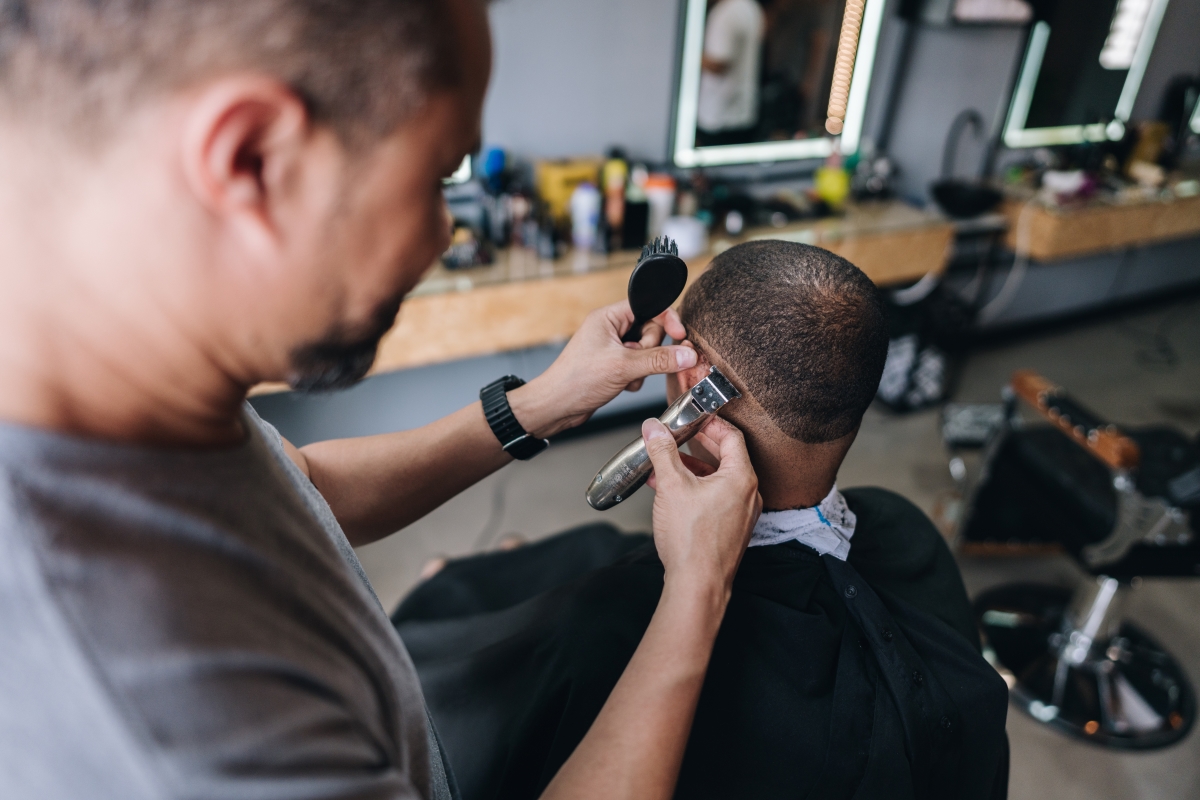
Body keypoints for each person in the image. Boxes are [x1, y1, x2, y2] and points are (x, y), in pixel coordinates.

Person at [0, 3, 762, 800]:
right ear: (252, 157)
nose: (443, 235)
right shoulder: (181, 726)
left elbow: (302, 494)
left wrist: (537, 406)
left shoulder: (116, 369)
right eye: (436, 176)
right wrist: (698, 592)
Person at [395, 241, 1011, 800]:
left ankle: (454, 572)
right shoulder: (903, 525)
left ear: (691, 381)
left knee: (471, 588)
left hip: (590, 621)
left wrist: (694, 583)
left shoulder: (605, 625)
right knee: (599, 553)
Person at [696, 0, 766, 147]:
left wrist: (685, 53)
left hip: (719, 114)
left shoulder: (725, 13)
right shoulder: (752, 8)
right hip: (744, 112)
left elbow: (718, 64)